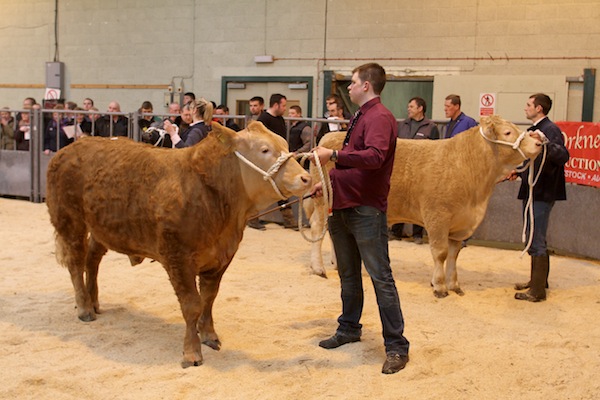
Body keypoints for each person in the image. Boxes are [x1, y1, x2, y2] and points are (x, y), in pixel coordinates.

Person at [309, 62, 410, 375]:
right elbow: (356, 162)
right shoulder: (362, 116)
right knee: (349, 274)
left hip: (366, 208)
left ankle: (396, 346)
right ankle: (349, 327)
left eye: (352, 82)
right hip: (344, 203)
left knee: (381, 276)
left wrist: (335, 155)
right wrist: (328, 182)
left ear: (366, 84)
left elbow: (375, 158)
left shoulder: (380, 117)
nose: (349, 87)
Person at [507, 93, 570, 302]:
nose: (525, 108)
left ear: (539, 109)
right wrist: (519, 172)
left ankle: (537, 291)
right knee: (535, 234)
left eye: (528, 105)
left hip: (542, 192)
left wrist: (546, 142)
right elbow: (535, 162)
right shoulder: (534, 130)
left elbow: (562, 156)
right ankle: (538, 281)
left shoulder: (549, 130)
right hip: (534, 189)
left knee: (536, 236)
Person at [389, 97, 440, 244]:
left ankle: (418, 234)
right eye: (408, 106)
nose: (408, 109)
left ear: (420, 108)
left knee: (420, 201)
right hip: (402, 170)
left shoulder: (431, 127)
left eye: (411, 106)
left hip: (422, 171)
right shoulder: (402, 125)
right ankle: (396, 231)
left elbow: (435, 150)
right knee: (400, 198)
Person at [257, 93, 296, 229]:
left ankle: (289, 219)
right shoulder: (263, 119)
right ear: (275, 105)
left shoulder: (280, 119)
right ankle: (253, 217)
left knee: (282, 187)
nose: (285, 108)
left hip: (279, 158)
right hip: (265, 160)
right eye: (283, 105)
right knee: (259, 188)